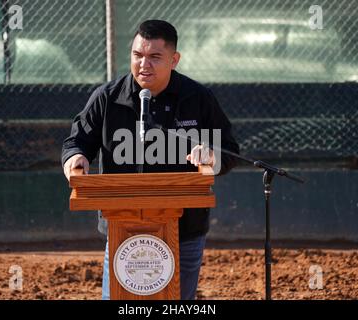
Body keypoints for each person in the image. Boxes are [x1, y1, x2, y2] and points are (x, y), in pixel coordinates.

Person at [62, 20, 240, 300]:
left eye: (155, 57)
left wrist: (211, 156)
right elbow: (76, 142)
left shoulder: (198, 98)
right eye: (137, 55)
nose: (144, 64)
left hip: (185, 229)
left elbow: (229, 150)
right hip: (122, 226)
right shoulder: (108, 98)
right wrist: (76, 158)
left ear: (174, 59)